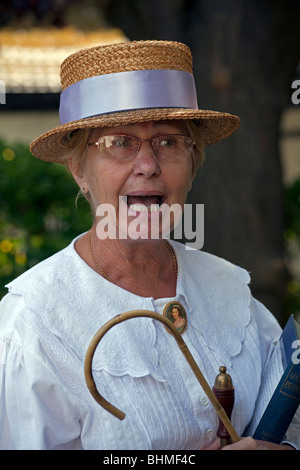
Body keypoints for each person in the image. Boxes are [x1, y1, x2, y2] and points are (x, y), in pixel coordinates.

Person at [0, 40, 299, 450]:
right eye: (119, 142)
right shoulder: (33, 327)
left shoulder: (232, 295)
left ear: (193, 164)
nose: (148, 165)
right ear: (78, 171)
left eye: (169, 142)